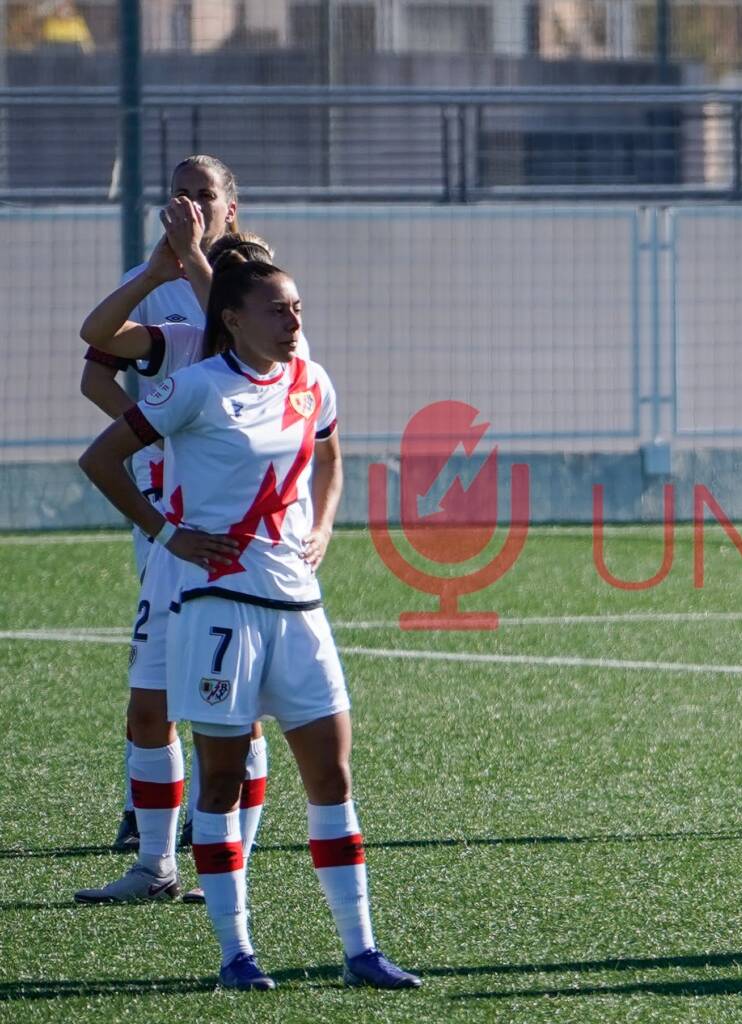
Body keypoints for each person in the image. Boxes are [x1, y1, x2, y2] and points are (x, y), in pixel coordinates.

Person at [77, 260, 418, 991]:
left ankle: (361, 949)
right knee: (222, 780)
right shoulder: (195, 387)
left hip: (300, 609)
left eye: (296, 307)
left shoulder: (312, 379)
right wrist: (168, 534)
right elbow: (102, 457)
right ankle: (237, 953)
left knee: (332, 774)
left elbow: (329, 454)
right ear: (231, 319)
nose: (294, 321)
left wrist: (323, 525)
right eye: (277, 310)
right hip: (219, 610)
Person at [74, 227, 302, 905]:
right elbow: (96, 346)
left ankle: (230, 865)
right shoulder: (180, 347)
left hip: (240, 565)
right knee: (149, 712)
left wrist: (314, 525)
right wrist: (150, 277)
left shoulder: (283, 357)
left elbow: (327, 445)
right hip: (175, 559)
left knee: (237, 716)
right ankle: (154, 866)